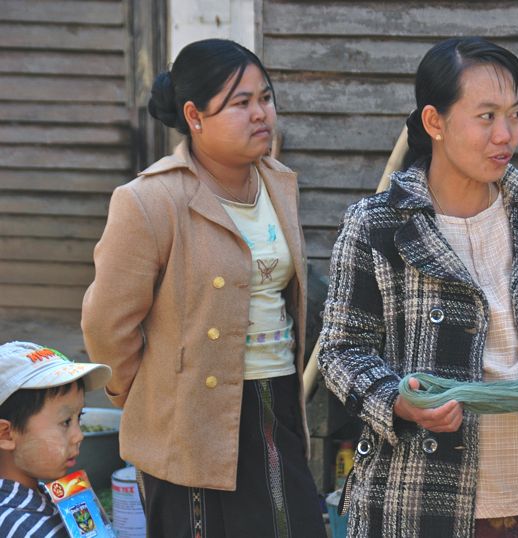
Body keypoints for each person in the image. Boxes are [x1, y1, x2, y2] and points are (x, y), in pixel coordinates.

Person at [318, 37, 518, 537]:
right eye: (486, 117)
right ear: (434, 121)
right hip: (423, 499)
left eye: (515, 115)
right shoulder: (378, 225)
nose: (506, 135)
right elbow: (340, 350)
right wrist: (397, 401)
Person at [81, 39, 325, 537]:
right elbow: (107, 323)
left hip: (277, 398)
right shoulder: (152, 199)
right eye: (241, 103)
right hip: (192, 418)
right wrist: (150, 399)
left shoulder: (277, 183)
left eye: (265, 98)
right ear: (194, 115)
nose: (260, 114)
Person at [0, 341, 112, 538]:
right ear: (6, 434)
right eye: (65, 422)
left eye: (79, 417)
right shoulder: (21, 528)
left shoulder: (42, 498)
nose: (79, 435)